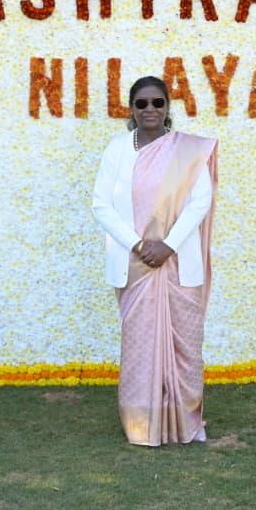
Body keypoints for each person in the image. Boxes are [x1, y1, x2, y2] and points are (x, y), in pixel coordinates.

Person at [91, 75, 218, 446]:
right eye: (142, 103)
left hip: (178, 261)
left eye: (157, 103)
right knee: (140, 346)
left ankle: (188, 422)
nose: (150, 109)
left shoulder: (187, 151)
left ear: (167, 107)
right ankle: (142, 424)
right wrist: (138, 245)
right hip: (136, 264)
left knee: (186, 347)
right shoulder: (117, 150)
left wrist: (168, 245)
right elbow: (101, 204)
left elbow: (200, 201)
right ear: (131, 109)